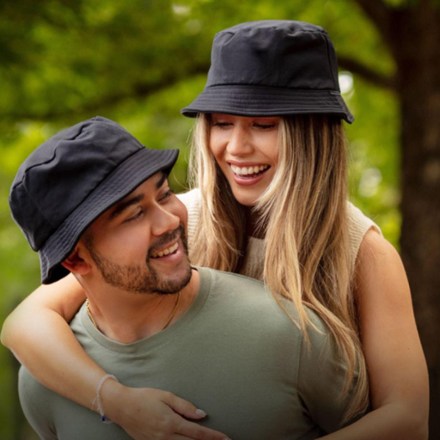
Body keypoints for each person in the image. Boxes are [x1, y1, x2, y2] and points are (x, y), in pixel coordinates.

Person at [2, 20, 428, 440]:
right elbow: (24, 323)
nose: (237, 148)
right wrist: (117, 404)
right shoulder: (177, 220)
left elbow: (407, 418)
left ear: (312, 136)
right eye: (222, 124)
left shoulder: (362, 250)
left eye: (263, 126)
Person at [8, 116, 362, 440]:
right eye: (133, 215)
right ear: (75, 258)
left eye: (164, 194)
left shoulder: (289, 334)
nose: (170, 221)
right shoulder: (44, 385)